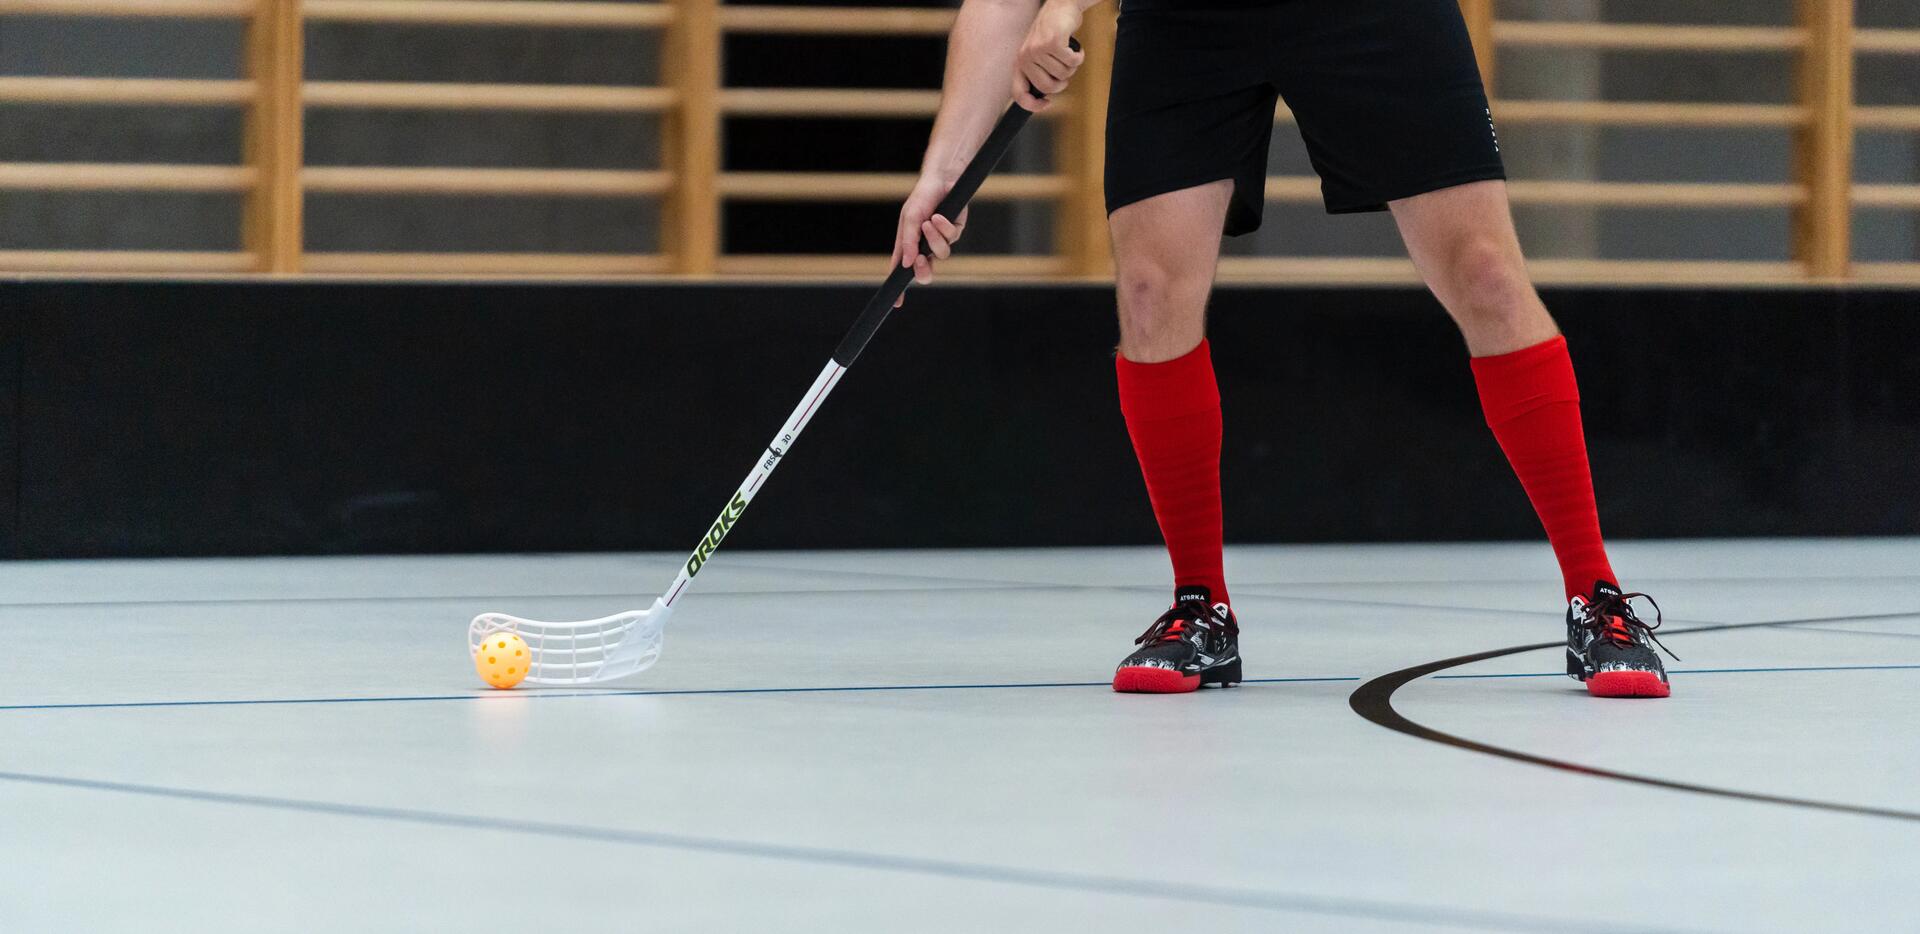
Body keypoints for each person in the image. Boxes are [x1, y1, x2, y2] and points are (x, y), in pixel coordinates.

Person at [892, 0, 1674, 697]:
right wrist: (941, 174)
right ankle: (1200, 606)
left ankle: (1596, 596)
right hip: (1190, 22)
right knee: (1150, 294)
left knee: (1485, 274)